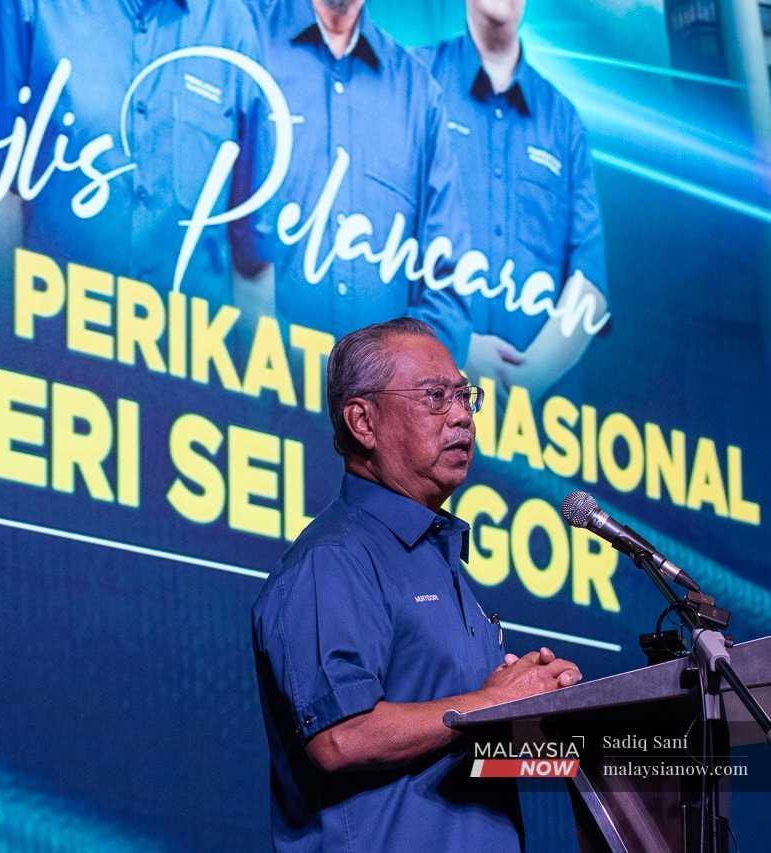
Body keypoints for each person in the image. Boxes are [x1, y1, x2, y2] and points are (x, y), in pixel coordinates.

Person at [250, 317, 582, 851]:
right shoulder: (335, 560)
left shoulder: (437, 560)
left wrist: (543, 705)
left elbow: (464, 748)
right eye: (434, 397)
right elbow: (341, 738)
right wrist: (488, 703)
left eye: (464, 396)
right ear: (363, 421)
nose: (461, 417)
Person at [0, 0, 269, 308]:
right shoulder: (31, 7)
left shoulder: (234, 28)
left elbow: (253, 259)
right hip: (54, 329)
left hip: (191, 348)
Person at [239, 0, 473, 363]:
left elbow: (447, 286)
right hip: (249, 386)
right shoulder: (242, 32)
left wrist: (393, 393)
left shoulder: (418, 94)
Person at [419, 0, 608, 397]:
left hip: (533, 430)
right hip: (420, 401)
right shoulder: (416, 80)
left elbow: (589, 284)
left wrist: (524, 381)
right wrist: (455, 349)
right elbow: (380, 230)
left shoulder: (563, 120)